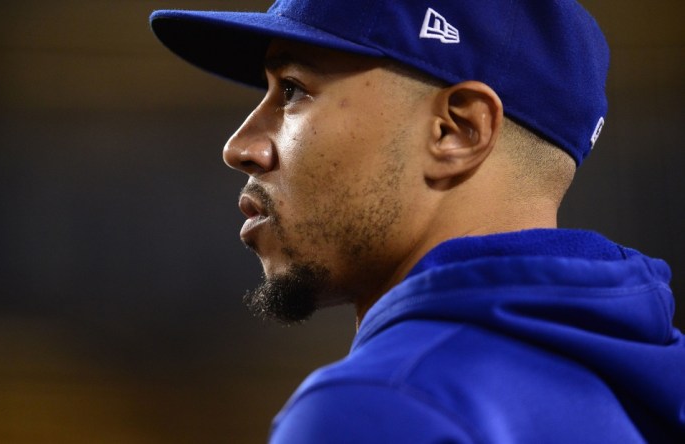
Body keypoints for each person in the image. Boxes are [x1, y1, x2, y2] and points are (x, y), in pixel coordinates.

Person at [149, 1, 685, 442]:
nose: (239, 147)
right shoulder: (646, 388)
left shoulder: (382, 407)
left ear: (457, 132)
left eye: (292, 90)